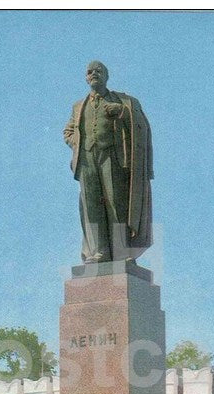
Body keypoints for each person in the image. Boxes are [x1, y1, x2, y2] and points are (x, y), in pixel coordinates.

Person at [64, 60, 153, 263]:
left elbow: (142, 125)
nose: (94, 74)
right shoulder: (78, 106)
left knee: (116, 203)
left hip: (112, 157)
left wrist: (122, 113)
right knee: (92, 206)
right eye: (90, 72)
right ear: (86, 78)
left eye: (99, 71)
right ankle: (99, 251)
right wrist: (77, 144)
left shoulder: (122, 101)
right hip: (86, 160)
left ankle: (121, 253)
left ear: (106, 76)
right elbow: (68, 131)